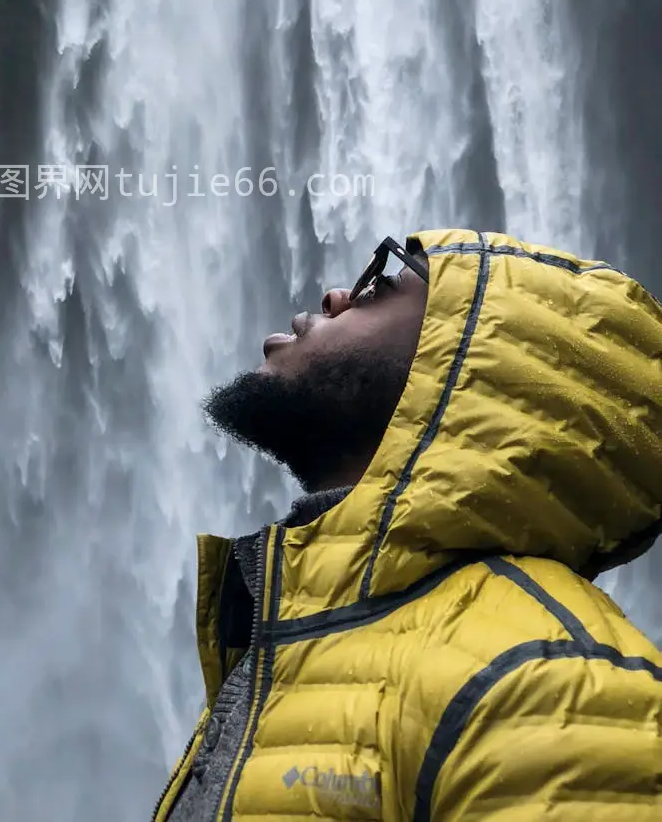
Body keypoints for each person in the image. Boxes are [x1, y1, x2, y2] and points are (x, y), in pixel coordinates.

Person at [152, 228, 662, 821]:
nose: (336, 296)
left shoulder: (549, 682)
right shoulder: (290, 642)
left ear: (470, 357)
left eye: (379, 284)